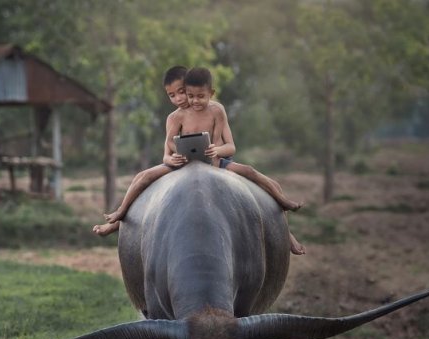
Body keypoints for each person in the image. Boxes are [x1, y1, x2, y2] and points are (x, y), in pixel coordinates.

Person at [93, 66, 305, 255]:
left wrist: (216, 153)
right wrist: (172, 159)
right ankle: (120, 216)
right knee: (143, 177)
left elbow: (228, 145)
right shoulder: (174, 118)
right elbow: (166, 152)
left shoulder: (216, 110)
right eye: (172, 95)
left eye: (182, 92)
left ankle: (286, 228)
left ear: (204, 92)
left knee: (254, 174)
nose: (181, 99)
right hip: (182, 165)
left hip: (215, 162)